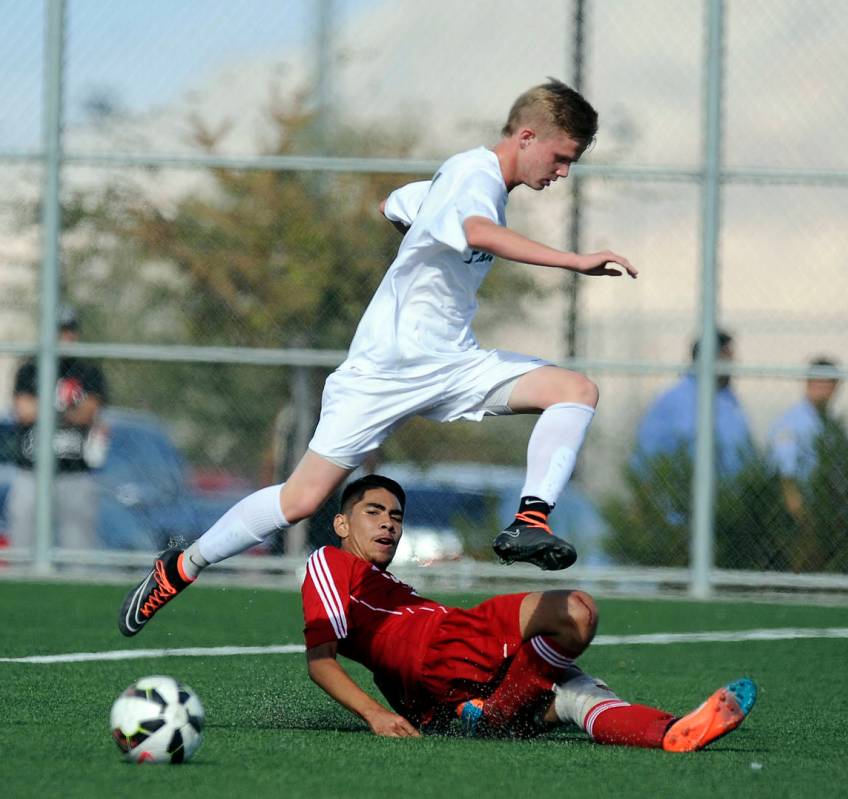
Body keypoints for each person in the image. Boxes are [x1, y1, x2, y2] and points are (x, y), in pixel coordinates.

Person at [118, 78, 639, 637]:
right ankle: (182, 566)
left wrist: (415, 227)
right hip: (383, 372)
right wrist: (572, 261)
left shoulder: (463, 181)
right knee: (301, 499)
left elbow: (393, 204)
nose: (562, 173)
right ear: (528, 135)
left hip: (453, 364)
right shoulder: (474, 175)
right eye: (562, 158)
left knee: (575, 390)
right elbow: (473, 227)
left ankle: (529, 522)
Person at [301, 474, 756, 750]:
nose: (387, 523)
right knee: (575, 611)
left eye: (396, 516)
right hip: (447, 647)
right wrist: (374, 714)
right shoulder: (330, 562)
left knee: (580, 695)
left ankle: (670, 732)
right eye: (373, 512)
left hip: (457, 688)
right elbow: (321, 661)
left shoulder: (394, 587)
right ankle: (496, 710)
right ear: (341, 523)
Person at [7, 304, 108, 551]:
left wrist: (46, 408)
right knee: (21, 547)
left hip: (74, 472)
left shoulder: (88, 372)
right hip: (32, 471)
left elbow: (88, 412)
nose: (66, 336)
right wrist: (65, 406)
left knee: (78, 552)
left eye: (70, 330)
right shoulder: (29, 370)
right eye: (60, 330)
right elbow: (23, 411)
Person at [632, 330, 754, 478]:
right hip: (683, 493)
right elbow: (646, 453)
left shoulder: (730, 401)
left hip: (731, 496)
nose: (733, 364)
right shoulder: (675, 400)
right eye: (727, 357)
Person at [766, 357, 840, 520]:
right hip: (800, 510)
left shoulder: (829, 424)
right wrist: (802, 518)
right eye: (817, 383)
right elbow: (785, 475)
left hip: (825, 509)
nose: (822, 390)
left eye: (828, 384)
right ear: (808, 383)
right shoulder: (792, 423)